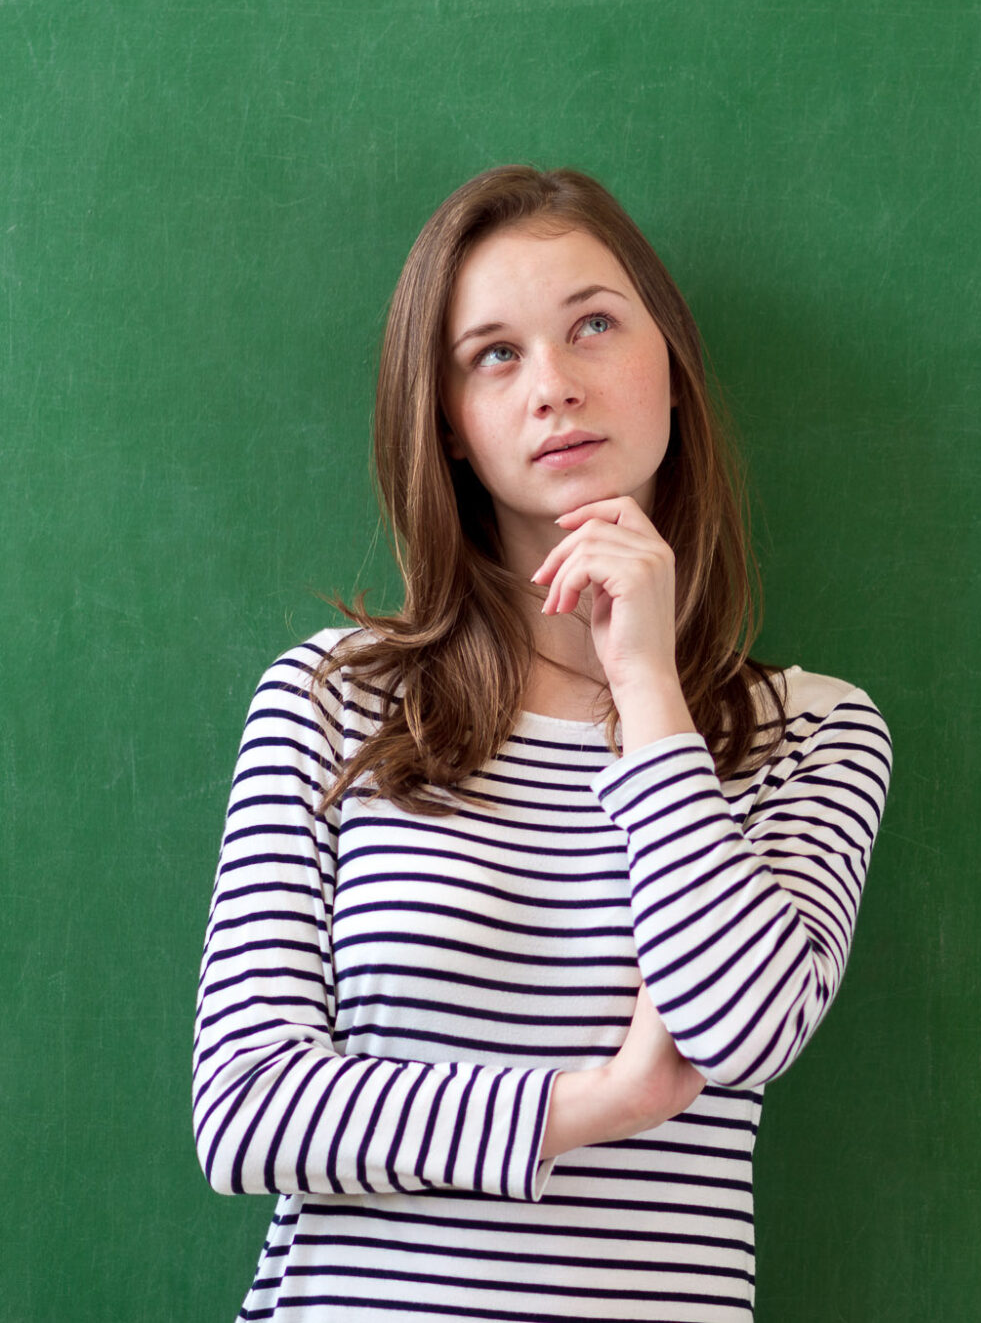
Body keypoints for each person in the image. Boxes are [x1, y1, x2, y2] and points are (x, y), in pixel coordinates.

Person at [191, 165, 893, 1322]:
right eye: (494, 354)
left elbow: (745, 1028)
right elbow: (247, 1111)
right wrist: (597, 1101)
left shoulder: (809, 732)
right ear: (453, 429)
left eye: (594, 326)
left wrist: (645, 684)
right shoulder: (336, 701)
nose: (554, 387)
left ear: (669, 367)